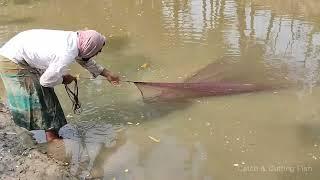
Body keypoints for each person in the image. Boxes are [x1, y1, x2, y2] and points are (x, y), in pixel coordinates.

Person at [0, 29, 120, 142]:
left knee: (45, 95)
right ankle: (49, 138)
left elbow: (84, 59)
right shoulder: (66, 53)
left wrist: (107, 74)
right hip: (11, 59)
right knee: (38, 96)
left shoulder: (76, 40)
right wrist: (63, 79)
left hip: (19, 50)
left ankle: (49, 134)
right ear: (90, 47)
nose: (98, 53)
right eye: (97, 51)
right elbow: (45, 81)